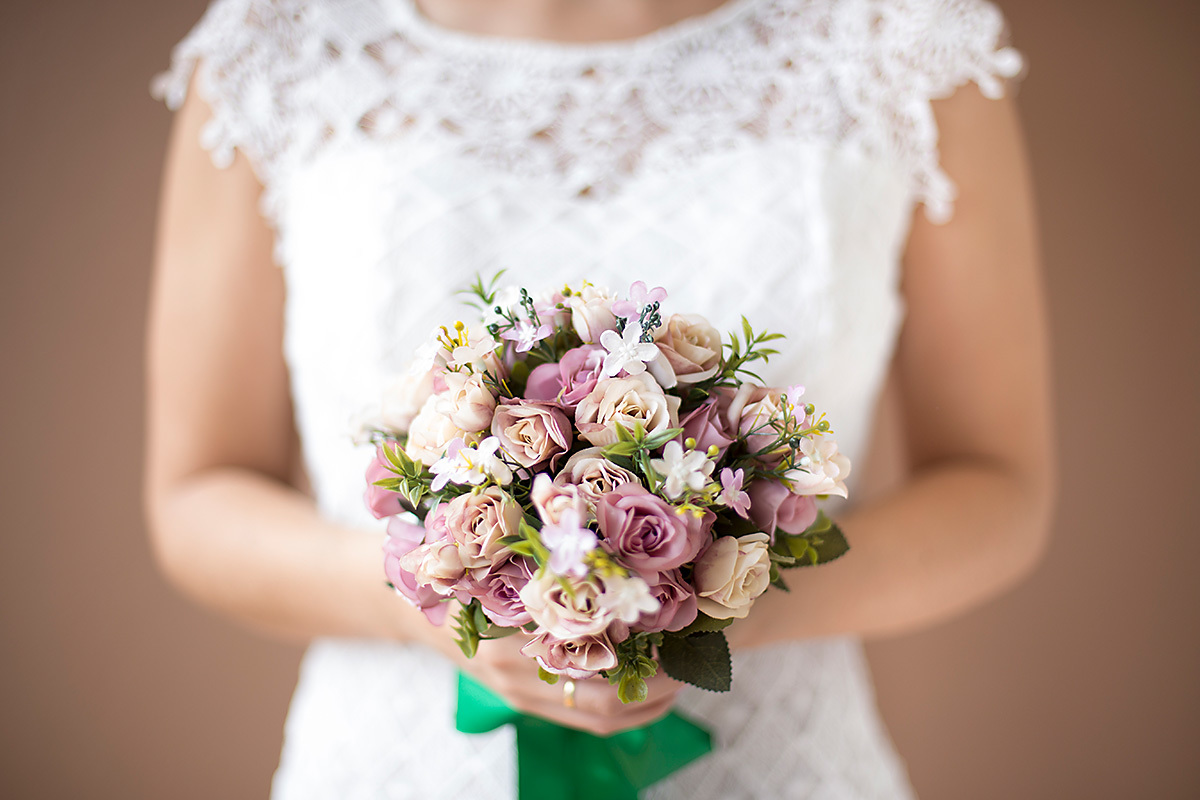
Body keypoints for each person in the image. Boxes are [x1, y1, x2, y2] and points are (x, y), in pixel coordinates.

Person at [145, 0, 1054, 796]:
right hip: (393, 763)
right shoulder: (280, 50)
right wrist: (438, 600)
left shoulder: (902, 42)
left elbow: (997, 483)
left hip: (780, 766)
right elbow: (198, 493)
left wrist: (701, 602)